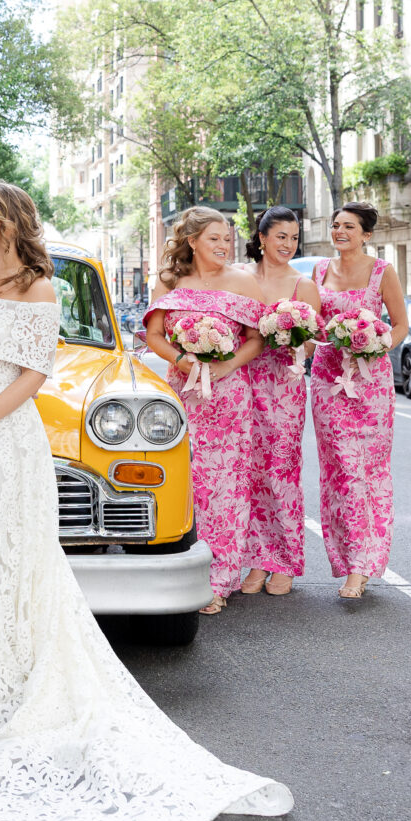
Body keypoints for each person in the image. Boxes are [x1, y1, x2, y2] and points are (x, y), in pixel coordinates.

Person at [0, 183, 293, 821]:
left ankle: (11, 695)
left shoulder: (42, 289)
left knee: (9, 563)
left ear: (9, 222)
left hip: (5, 442)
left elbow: (34, 372)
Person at [142, 207, 264, 614]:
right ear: (192, 242)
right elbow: (154, 335)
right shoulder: (170, 281)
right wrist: (182, 360)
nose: (223, 245)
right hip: (184, 395)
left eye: (227, 238)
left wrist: (226, 365)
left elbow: (255, 339)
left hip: (229, 397)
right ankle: (181, 573)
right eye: (213, 238)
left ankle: (220, 581)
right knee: (189, 482)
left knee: (227, 486)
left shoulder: (243, 281)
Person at [310, 202, 407, 600]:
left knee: (367, 471)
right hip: (327, 381)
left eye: (348, 226)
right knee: (339, 472)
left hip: (370, 386)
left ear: (366, 233)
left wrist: (375, 345)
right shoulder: (318, 272)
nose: (339, 231)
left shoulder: (383, 272)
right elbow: (314, 324)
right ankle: (348, 559)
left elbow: (400, 325)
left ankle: (363, 565)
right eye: (335, 225)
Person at [240, 206, 321, 598]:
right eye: (281, 236)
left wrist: (287, 335)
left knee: (280, 472)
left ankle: (284, 560)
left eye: (293, 237)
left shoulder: (302, 284)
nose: (288, 244)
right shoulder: (240, 278)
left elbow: (312, 340)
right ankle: (256, 559)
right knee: (248, 473)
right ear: (262, 238)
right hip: (241, 382)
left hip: (284, 385)